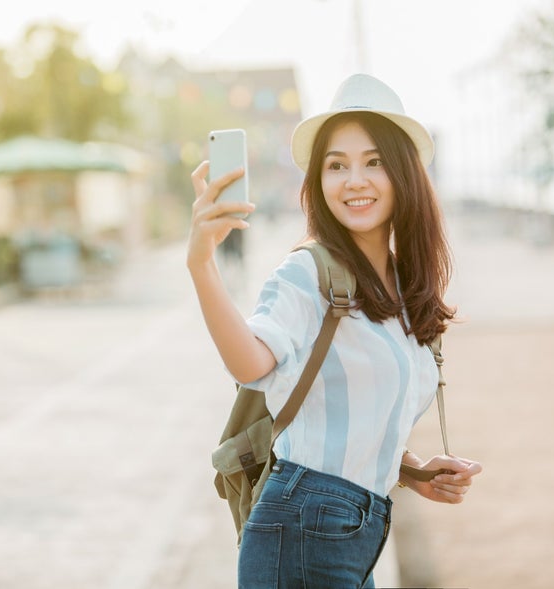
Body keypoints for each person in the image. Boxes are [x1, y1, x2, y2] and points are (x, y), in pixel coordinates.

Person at [187, 73, 483, 588]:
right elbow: (251, 364)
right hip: (301, 530)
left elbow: (350, 420)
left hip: (354, 534)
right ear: (319, 183)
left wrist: (412, 471)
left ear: (405, 174)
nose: (354, 180)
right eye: (336, 165)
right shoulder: (307, 272)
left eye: (374, 162)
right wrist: (201, 265)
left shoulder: (403, 289)